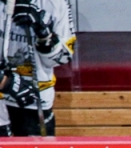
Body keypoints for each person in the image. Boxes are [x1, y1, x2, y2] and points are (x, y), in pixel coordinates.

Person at [0, 0, 75, 136]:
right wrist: (5, 81)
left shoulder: (55, 3)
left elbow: (63, 58)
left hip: (33, 101)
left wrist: (45, 36)